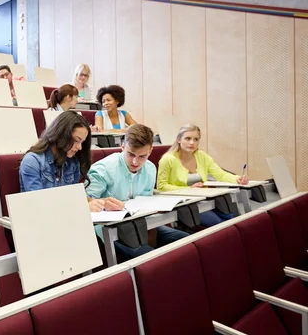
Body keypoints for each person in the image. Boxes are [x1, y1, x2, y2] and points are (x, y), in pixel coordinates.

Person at [86, 124, 189, 261]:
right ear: (123, 146)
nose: (135, 162)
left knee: (188, 243)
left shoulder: (150, 169)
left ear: (151, 151)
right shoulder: (103, 169)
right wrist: (102, 204)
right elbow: (85, 202)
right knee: (152, 258)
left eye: (142, 156)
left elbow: (146, 203)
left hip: (142, 224)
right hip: (113, 231)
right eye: (131, 154)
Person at [19, 111, 115, 212]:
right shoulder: (32, 161)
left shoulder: (72, 162)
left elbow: (74, 198)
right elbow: (39, 205)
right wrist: (83, 207)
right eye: (76, 140)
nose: (79, 147)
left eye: (82, 142)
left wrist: (101, 203)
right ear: (61, 134)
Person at [157, 124, 249, 227]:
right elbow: (161, 186)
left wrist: (237, 179)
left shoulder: (202, 156)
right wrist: (189, 188)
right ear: (179, 139)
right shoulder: (168, 159)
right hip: (184, 205)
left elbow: (220, 174)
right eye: (187, 138)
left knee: (234, 218)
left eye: (196, 139)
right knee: (221, 225)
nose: (192, 142)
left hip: (203, 201)